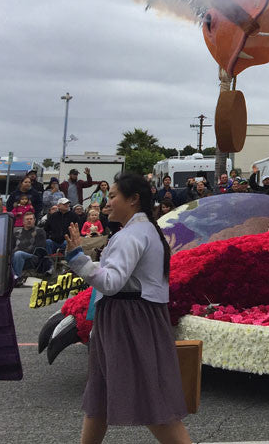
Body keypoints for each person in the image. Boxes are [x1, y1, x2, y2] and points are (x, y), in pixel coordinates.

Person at [64, 172, 191, 443]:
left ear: (133, 200)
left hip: (128, 320)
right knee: (100, 395)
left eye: (112, 196)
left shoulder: (131, 235)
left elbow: (111, 282)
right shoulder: (142, 231)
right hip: (134, 316)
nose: (106, 203)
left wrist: (78, 260)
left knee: (151, 401)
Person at [12, 212, 50, 285]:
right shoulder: (16, 232)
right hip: (16, 255)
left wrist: (21, 251)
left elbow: (40, 247)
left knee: (18, 254)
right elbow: (11, 245)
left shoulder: (39, 231)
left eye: (31, 219)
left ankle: (17, 279)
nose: (29, 220)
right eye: (27, 219)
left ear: (34, 220)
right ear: (23, 221)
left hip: (33, 256)